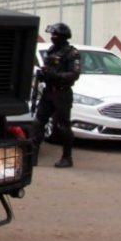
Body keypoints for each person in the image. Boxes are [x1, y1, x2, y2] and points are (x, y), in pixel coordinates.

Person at [33, 23, 82, 168]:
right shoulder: (51, 50)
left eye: (55, 35)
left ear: (63, 37)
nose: (52, 37)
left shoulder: (72, 53)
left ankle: (67, 158)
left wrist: (56, 75)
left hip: (62, 93)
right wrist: (43, 75)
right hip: (48, 92)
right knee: (38, 123)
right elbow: (48, 69)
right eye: (52, 35)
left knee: (62, 126)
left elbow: (74, 74)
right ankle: (33, 156)